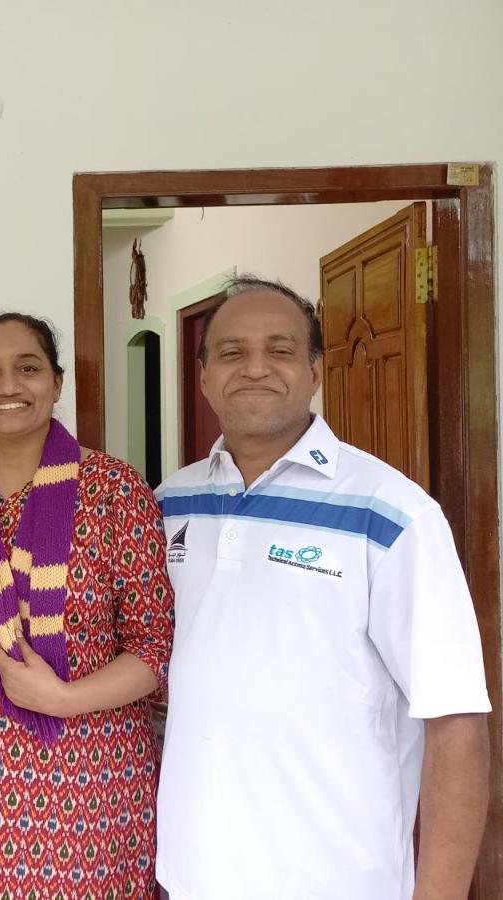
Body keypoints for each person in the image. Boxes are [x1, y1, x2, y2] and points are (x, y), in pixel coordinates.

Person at [155, 276, 491, 900]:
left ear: (315, 371)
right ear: (203, 376)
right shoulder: (170, 503)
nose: (255, 368)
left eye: (280, 350)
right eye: (231, 352)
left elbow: (456, 722)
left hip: (337, 877)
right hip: (191, 873)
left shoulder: (390, 513)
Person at [0, 313, 174, 898]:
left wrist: (63, 698)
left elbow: (154, 647)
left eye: (28, 368)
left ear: (58, 382)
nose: (8, 386)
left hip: (95, 788)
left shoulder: (116, 491)